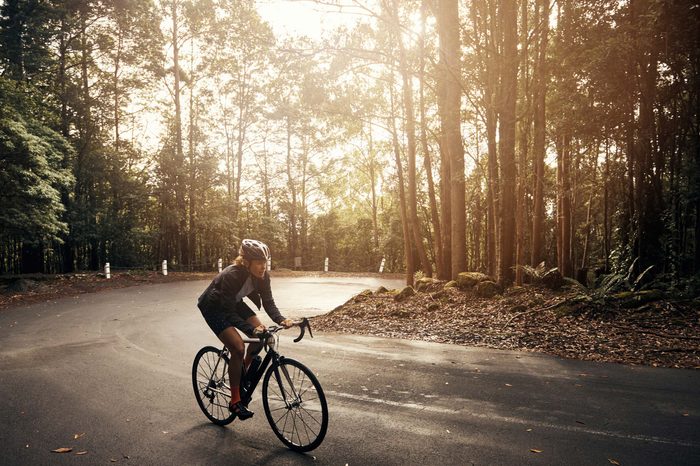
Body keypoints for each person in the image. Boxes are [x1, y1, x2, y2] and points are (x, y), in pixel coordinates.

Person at [197, 239, 293, 420]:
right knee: (238, 347)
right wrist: (250, 329)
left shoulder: (263, 276)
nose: (262, 267)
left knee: (264, 335)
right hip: (214, 306)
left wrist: (281, 319)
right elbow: (227, 312)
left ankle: (242, 374)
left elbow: (268, 302)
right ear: (247, 262)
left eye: (265, 263)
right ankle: (235, 401)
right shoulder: (232, 275)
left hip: (234, 303)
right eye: (258, 263)